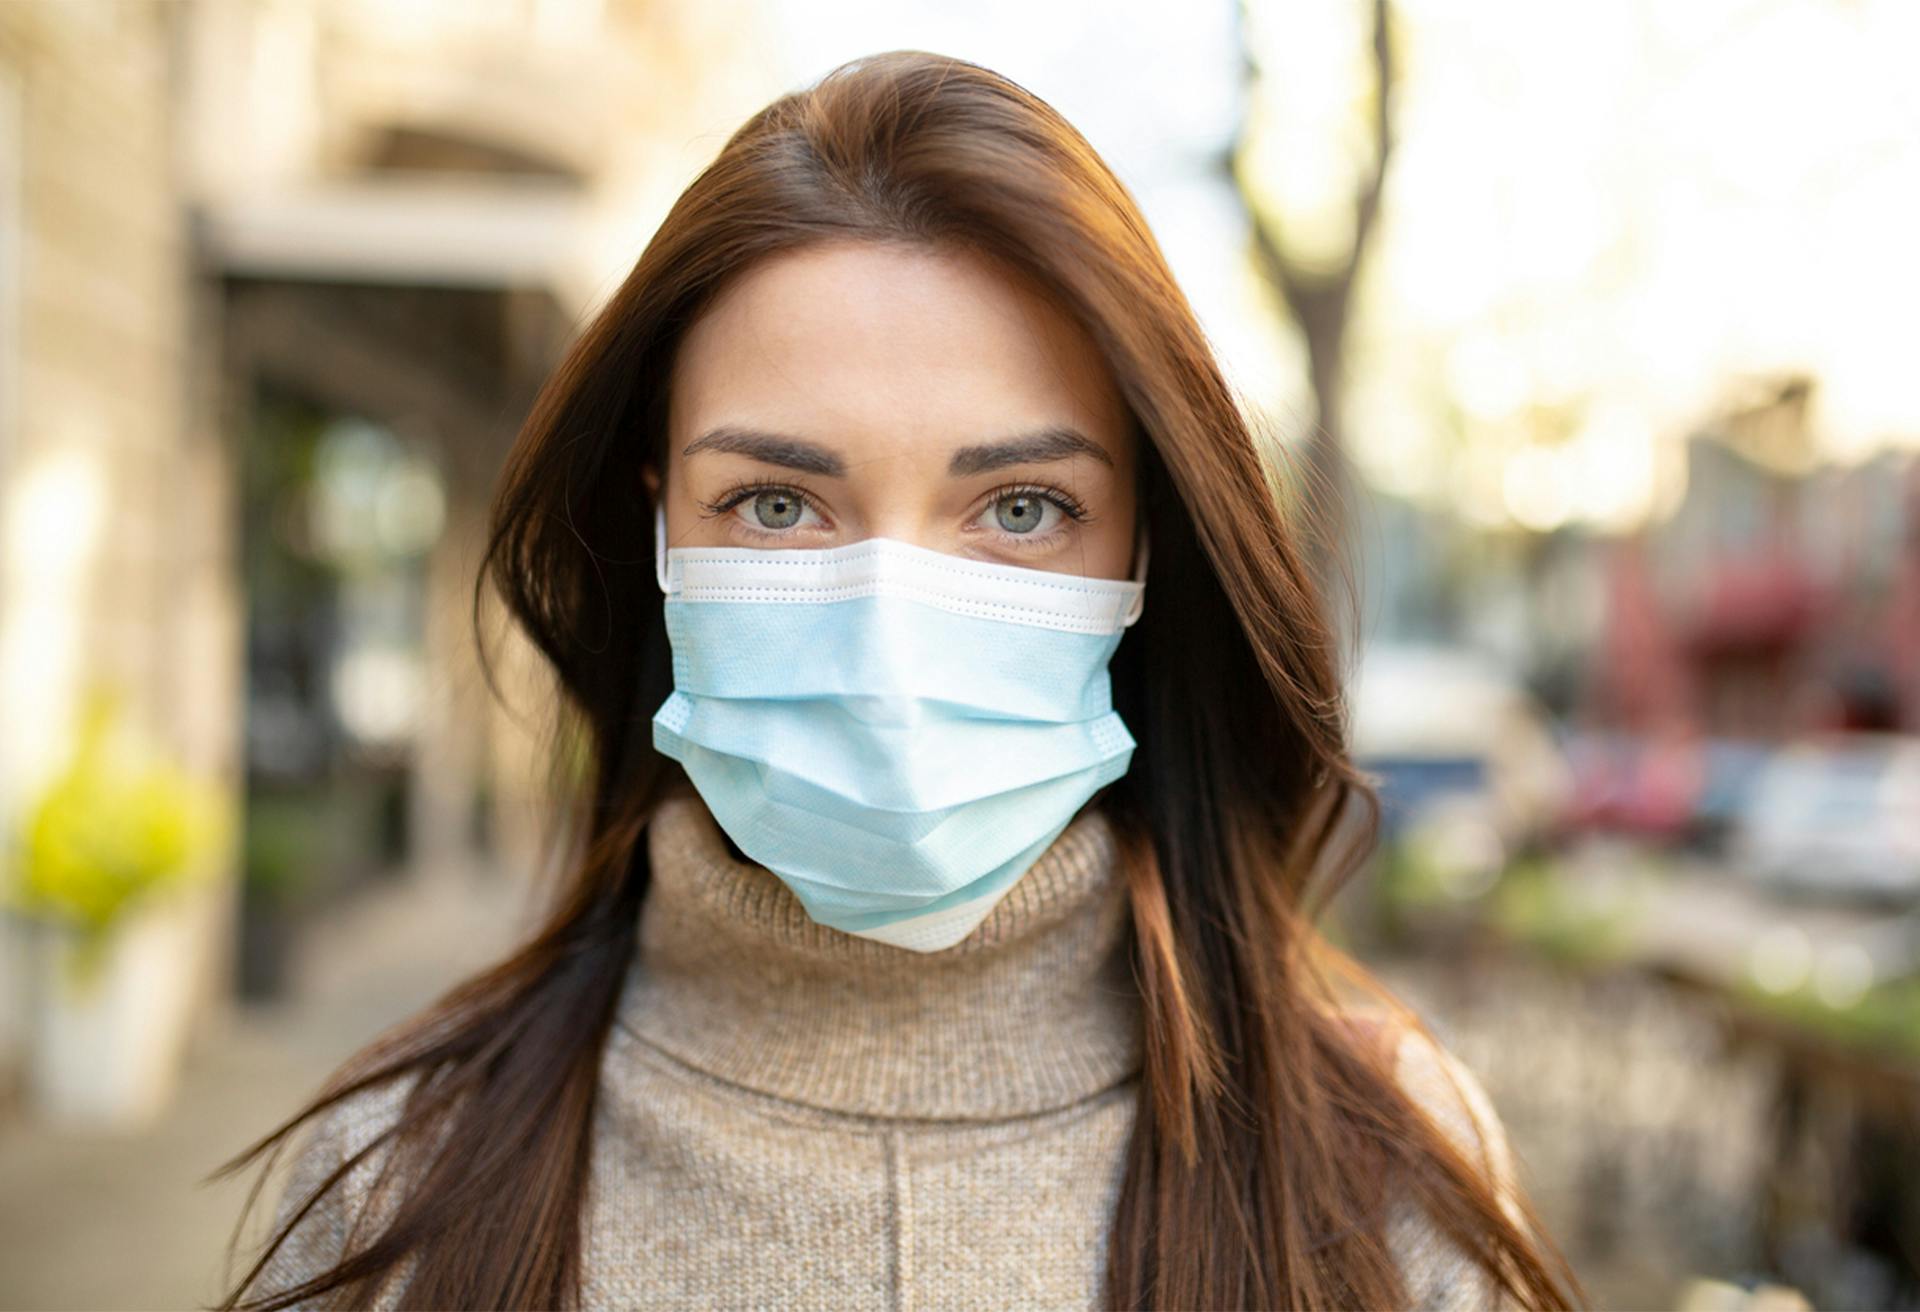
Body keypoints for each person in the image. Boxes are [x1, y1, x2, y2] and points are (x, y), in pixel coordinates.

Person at [213, 49, 1587, 1311]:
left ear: (1148, 554)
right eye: (773, 504)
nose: (885, 642)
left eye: (1023, 506)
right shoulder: (399, 1175)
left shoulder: (1384, 1180)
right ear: (656, 532)